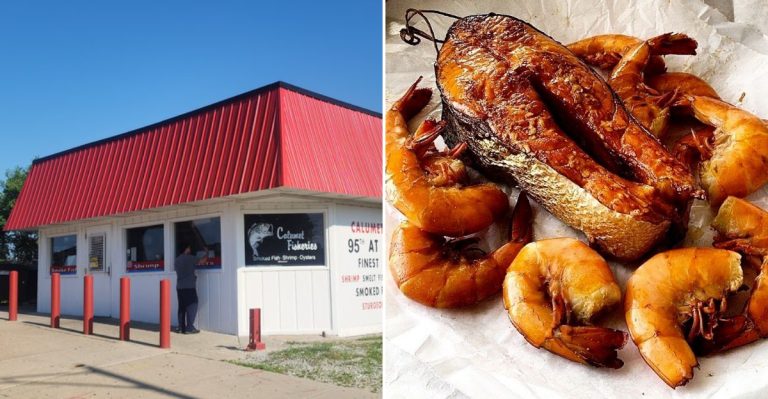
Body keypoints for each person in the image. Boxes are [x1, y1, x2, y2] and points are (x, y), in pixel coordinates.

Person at [174, 244, 207, 334]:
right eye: (189, 247)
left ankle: (181, 327)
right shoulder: (190, 258)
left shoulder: (177, 260)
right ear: (186, 249)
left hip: (179, 287)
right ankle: (189, 328)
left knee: (182, 307)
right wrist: (207, 253)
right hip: (189, 287)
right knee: (192, 305)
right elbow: (202, 262)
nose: (190, 249)